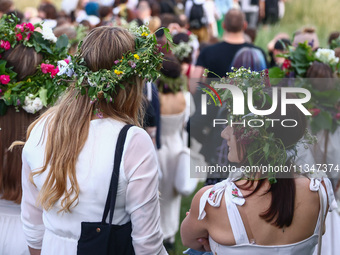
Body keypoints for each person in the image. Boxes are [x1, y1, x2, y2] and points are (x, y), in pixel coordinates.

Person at [19, 26, 167, 255]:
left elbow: (32, 225)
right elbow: (147, 244)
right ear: (131, 84)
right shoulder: (133, 141)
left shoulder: (42, 127)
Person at [181, 76, 337, 254]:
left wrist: (214, 242)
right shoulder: (319, 191)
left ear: (254, 137)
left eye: (233, 125)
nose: (224, 133)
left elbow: (190, 240)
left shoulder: (212, 202)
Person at [156, 55, 197, 252]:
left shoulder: (156, 99)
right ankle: (170, 234)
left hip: (159, 148)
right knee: (173, 195)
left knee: (158, 194)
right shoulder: (185, 98)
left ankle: (157, 231)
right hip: (177, 147)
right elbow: (186, 124)